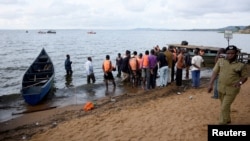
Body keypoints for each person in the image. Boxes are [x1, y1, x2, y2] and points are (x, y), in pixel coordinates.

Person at [208, 45, 248, 125]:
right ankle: (228, 119)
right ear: (226, 53)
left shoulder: (241, 65)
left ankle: (222, 122)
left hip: (232, 89)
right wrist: (210, 84)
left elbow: (245, 77)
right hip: (221, 87)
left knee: (224, 107)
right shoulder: (221, 61)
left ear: (236, 53)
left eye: (232, 53)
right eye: (228, 53)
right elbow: (215, 72)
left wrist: (240, 83)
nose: (230, 55)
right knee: (224, 105)